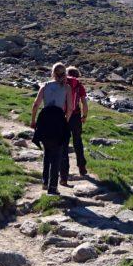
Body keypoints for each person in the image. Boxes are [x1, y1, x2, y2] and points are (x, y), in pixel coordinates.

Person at [30, 63, 73, 195]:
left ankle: (44, 181)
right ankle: (52, 188)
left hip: (45, 120)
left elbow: (36, 104)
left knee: (47, 151)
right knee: (57, 154)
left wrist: (33, 120)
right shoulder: (67, 88)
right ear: (64, 73)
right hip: (58, 120)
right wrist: (65, 120)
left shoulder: (45, 86)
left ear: (52, 73)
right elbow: (70, 108)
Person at [64, 66, 89, 180]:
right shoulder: (79, 86)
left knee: (63, 142)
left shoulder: (62, 83)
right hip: (75, 115)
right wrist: (84, 116)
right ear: (77, 75)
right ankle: (81, 166)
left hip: (63, 115)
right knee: (77, 141)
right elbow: (84, 103)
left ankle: (64, 170)